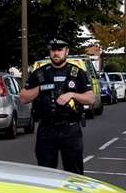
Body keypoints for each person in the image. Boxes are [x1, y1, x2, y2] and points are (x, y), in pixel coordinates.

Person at [19, 37, 98, 173]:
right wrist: (41, 88)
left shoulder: (77, 73)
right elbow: (23, 98)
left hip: (70, 129)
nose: (56, 53)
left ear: (66, 52)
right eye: (53, 50)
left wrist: (72, 95)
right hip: (46, 129)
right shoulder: (39, 73)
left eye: (60, 50)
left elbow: (91, 99)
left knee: (74, 173)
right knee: (46, 173)